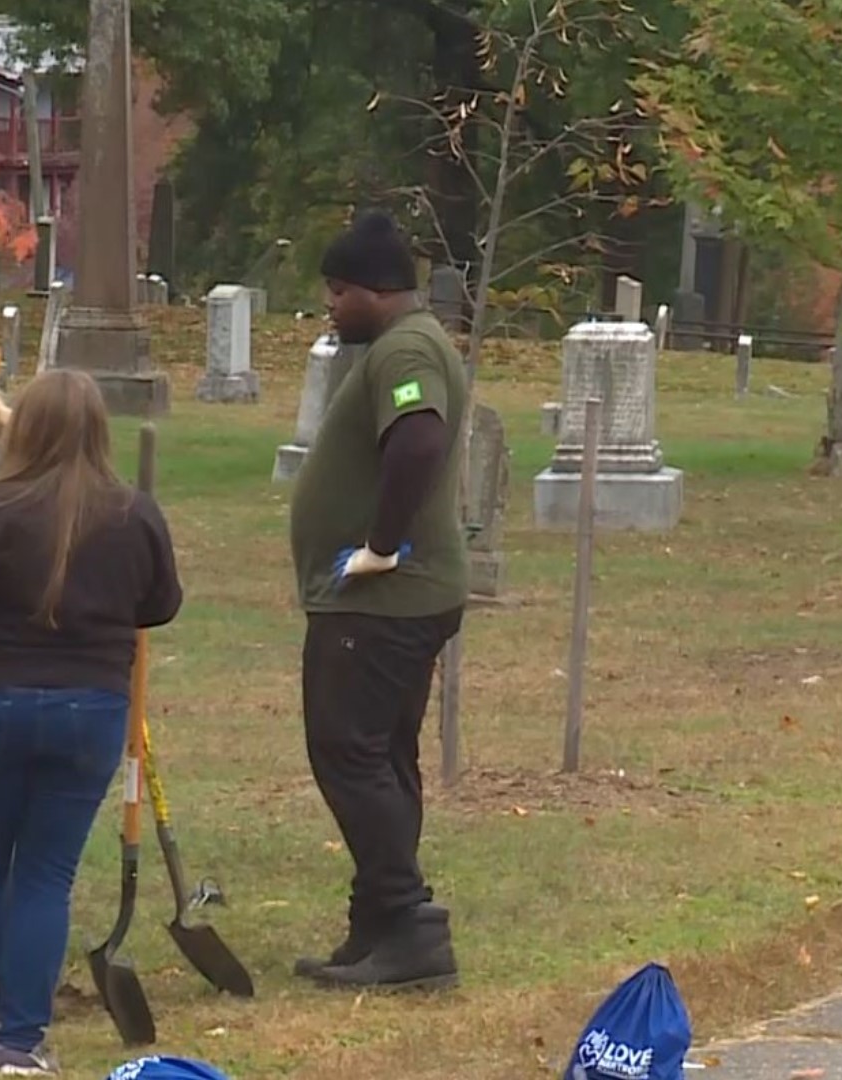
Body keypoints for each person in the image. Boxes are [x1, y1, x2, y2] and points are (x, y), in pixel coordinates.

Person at [0, 368, 184, 1076]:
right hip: (90, 708)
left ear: (20, 427)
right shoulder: (134, 513)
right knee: (43, 877)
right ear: (100, 431)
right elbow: (161, 604)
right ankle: (22, 1042)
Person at [287, 210, 468, 992]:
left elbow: (419, 438)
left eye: (338, 290)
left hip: (385, 600)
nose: (330, 304)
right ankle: (377, 928)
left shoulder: (409, 347)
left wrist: (382, 546)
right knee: (381, 757)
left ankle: (409, 922)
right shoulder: (401, 343)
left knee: (349, 752)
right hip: (391, 600)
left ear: (374, 290)